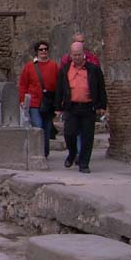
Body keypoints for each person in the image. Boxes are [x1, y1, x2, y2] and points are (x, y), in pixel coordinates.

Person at [56, 41, 107, 173]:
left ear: (84, 54)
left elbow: (101, 88)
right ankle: (72, 153)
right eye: (74, 55)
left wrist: (102, 105)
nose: (77, 57)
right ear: (70, 55)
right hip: (71, 107)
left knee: (87, 136)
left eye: (79, 55)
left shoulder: (93, 69)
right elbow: (60, 88)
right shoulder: (65, 69)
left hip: (88, 106)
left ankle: (84, 163)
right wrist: (58, 107)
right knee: (69, 133)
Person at [18, 40, 59, 157]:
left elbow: (59, 83)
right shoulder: (29, 67)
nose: (44, 51)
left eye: (45, 49)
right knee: (38, 126)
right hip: (34, 103)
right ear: (37, 52)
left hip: (48, 102)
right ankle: (38, 151)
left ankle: (44, 152)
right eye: (41, 49)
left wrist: (59, 102)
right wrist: (22, 99)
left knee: (46, 128)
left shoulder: (54, 66)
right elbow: (23, 84)